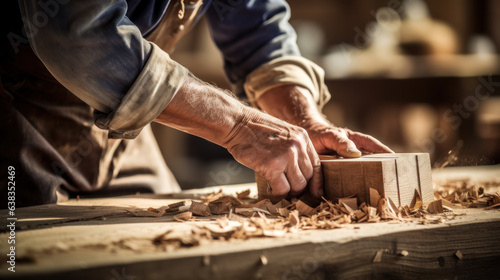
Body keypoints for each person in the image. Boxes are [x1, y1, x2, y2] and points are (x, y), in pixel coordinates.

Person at [0, 0, 392, 207]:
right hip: (16, 107)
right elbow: (82, 38)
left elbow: (260, 34)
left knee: (164, 253)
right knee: (24, 254)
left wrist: (305, 119)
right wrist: (239, 127)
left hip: (117, 131)